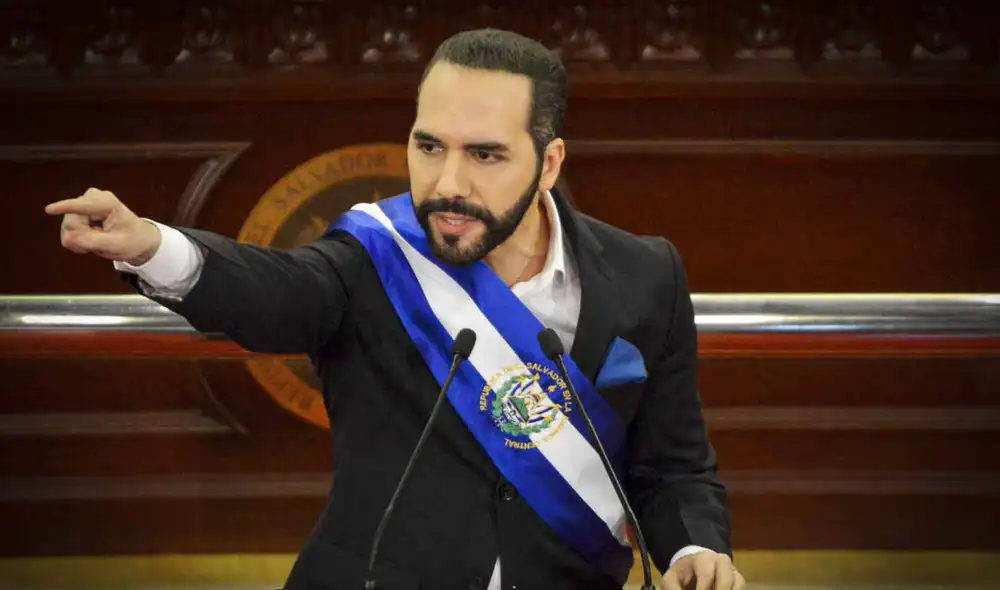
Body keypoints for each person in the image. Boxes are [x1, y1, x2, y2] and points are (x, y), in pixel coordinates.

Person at [46, 28, 744, 590]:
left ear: (550, 162)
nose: (447, 183)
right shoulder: (375, 256)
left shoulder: (646, 274)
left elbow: (674, 466)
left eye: (486, 156)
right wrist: (148, 247)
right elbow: (274, 293)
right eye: (429, 146)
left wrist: (693, 548)